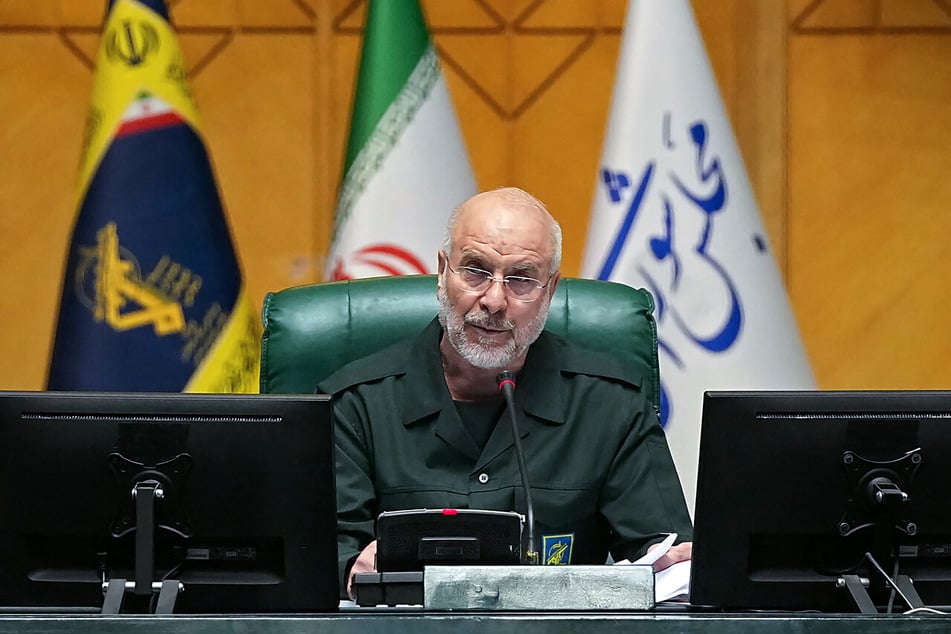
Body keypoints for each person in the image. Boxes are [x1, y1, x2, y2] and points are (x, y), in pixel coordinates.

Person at [319, 187, 693, 598]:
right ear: (442, 273)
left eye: (521, 279)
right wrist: (352, 569)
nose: (495, 300)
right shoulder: (354, 404)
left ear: (550, 290)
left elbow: (662, 551)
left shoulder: (611, 404)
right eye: (475, 270)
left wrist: (673, 568)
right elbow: (321, 553)